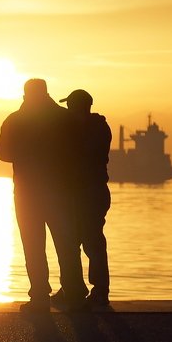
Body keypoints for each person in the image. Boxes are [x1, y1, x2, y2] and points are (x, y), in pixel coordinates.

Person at [0, 78, 87, 312]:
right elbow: (80, 150)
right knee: (67, 244)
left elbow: (2, 152)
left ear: (25, 94)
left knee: (33, 245)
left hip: (27, 192)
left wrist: (24, 152)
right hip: (61, 192)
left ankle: (39, 296)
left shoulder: (15, 120)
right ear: (46, 92)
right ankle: (75, 294)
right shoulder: (65, 119)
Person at [58, 89, 112, 310]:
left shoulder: (81, 130)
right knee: (77, 242)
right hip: (93, 192)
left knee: (87, 243)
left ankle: (97, 291)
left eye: (70, 106)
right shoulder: (100, 127)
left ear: (74, 106)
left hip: (84, 193)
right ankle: (74, 288)